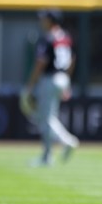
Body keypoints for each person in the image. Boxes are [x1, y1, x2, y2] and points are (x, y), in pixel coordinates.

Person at [23, 9, 79, 166]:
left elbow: (40, 64)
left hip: (50, 79)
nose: (42, 22)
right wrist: (67, 81)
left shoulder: (47, 38)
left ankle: (65, 143)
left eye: (45, 19)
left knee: (46, 119)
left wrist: (29, 86)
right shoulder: (65, 37)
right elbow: (73, 60)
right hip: (62, 78)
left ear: (51, 21)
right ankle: (47, 155)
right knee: (47, 117)